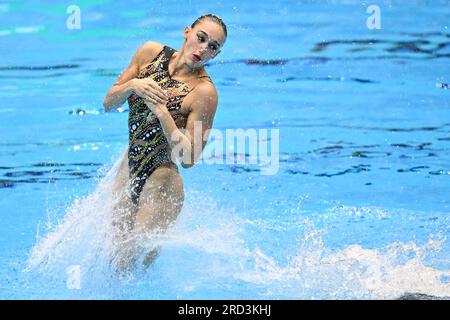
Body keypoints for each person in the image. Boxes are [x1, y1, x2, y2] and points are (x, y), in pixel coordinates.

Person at [103, 14, 227, 271]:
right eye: (201, 38)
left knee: (130, 267)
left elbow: (190, 158)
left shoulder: (204, 93)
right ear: (186, 32)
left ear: (216, 54)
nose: (204, 48)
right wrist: (133, 85)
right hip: (129, 169)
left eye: (213, 47)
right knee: (114, 261)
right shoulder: (149, 53)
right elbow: (108, 102)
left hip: (162, 183)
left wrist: (162, 112)